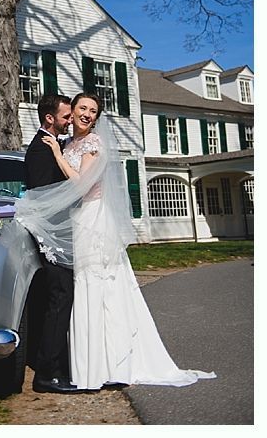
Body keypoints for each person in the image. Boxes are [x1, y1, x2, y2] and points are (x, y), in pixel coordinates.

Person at [27, 92, 215, 391]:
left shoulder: (91, 144)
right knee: (84, 287)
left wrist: (59, 156)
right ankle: (85, 365)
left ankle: (109, 364)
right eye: (83, 108)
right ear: (72, 112)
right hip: (76, 221)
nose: (88, 114)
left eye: (94, 111)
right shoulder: (68, 142)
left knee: (100, 284)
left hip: (93, 217)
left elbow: (80, 183)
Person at [21, 93, 79, 394]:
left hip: (60, 235)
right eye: (66, 116)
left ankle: (59, 365)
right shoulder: (42, 151)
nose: (70, 121)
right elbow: (43, 198)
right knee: (59, 300)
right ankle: (47, 374)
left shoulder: (54, 146)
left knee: (58, 299)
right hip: (53, 236)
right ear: (50, 118)